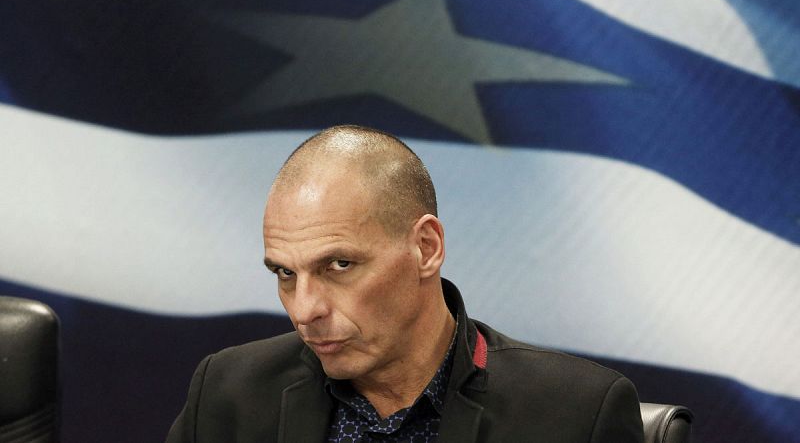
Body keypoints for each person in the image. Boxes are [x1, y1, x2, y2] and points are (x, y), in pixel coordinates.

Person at [166, 125, 644, 442]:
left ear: (426, 248)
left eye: (339, 265)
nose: (305, 310)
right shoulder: (230, 393)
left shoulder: (576, 414)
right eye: (285, 273)